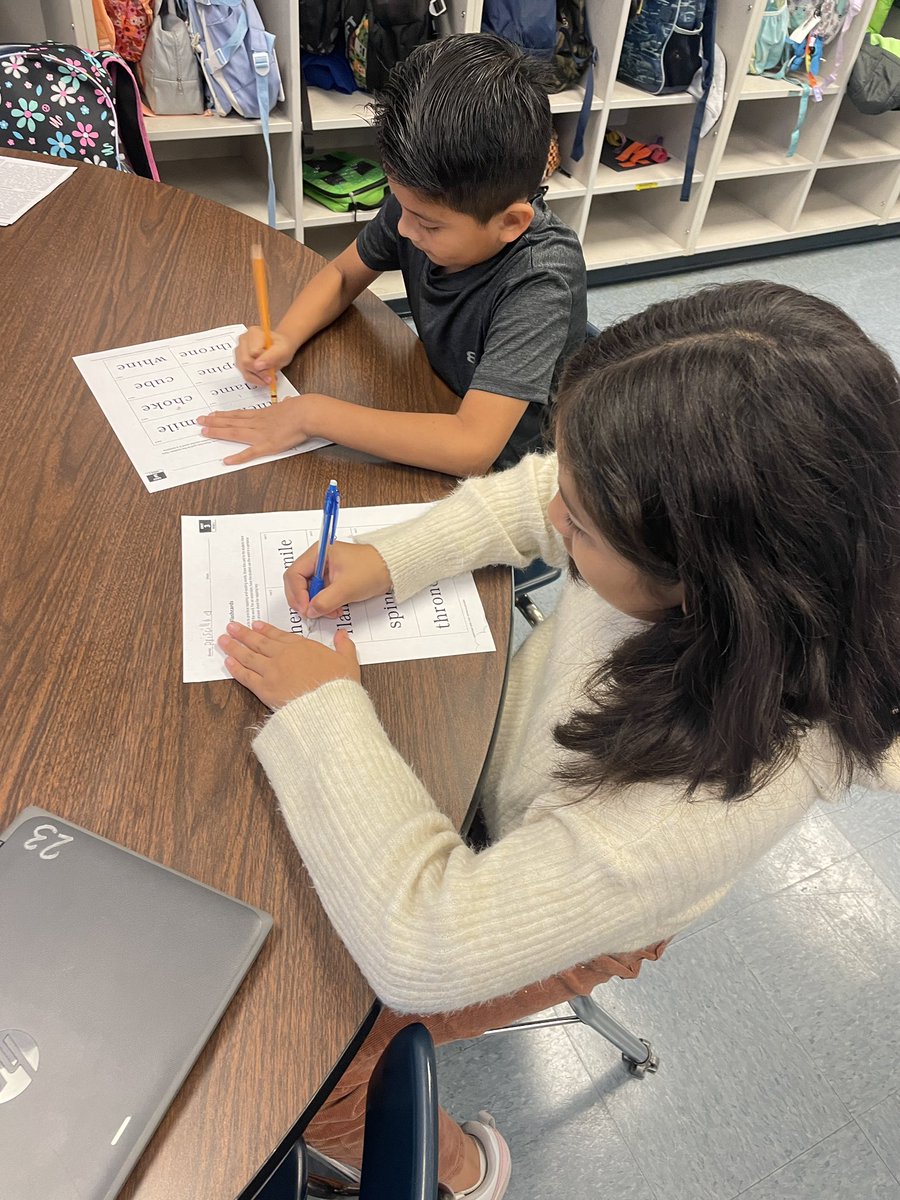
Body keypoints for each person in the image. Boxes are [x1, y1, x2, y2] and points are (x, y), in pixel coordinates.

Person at [216, 282, 900, 1200]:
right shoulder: (733, 552)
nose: (559, 519)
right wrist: (389, 557)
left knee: (301, 1067)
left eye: (582, 527)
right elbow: (544, 490)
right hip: (506, 790)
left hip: (562, 899)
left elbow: (423, 945)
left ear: (701, 580)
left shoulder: (697, 803)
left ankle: (463, 1176)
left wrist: (324, 709)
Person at [197, 33, 586, 478]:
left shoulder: (541, 281)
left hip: (515, 471)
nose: (402, 228)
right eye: (401, 206)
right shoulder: (422, 205)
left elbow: (473, 448)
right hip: (436, 398)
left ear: (511, 223)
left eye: (428, 223)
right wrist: (284, 337)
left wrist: (311, 415)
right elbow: (344, 275)